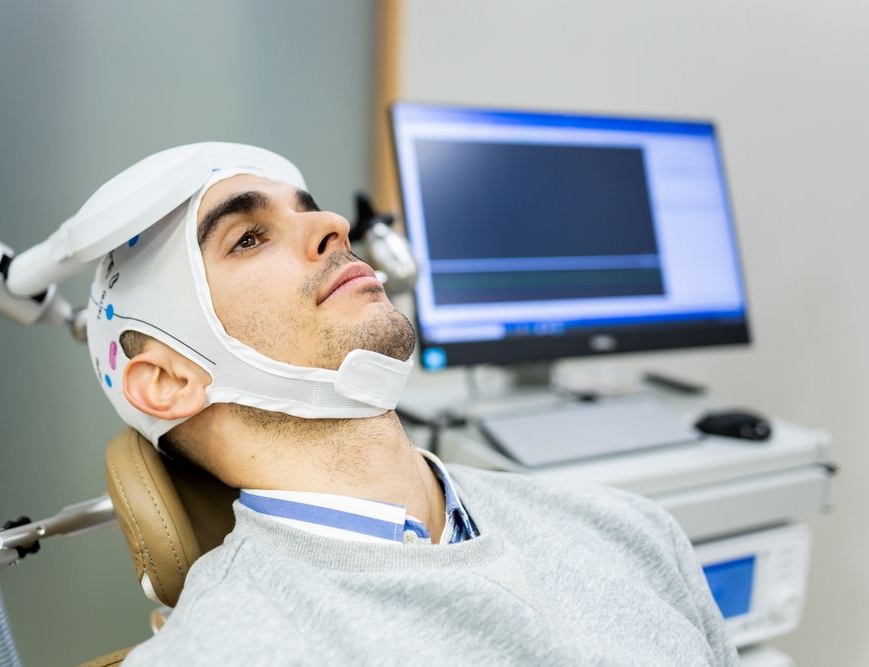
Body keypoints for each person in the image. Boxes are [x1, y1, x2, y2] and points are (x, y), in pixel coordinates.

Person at [85, 143, 738, 666]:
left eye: (310, 210)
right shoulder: (227, 649)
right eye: (248, 237)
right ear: (169, 380)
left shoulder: (632, 530)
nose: (333, 225)